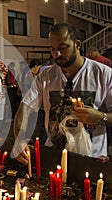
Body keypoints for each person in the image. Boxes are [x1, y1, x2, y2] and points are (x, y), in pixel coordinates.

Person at [13, 23, 112, 165]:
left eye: (62, 48)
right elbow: (26, 107)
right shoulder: (46, 76)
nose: (56, 54)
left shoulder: (103, 74)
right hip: (54, 154)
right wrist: (19, 138)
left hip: (91, 157)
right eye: (52, 49)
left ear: (77, 44)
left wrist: (100, 117)